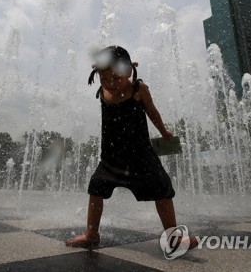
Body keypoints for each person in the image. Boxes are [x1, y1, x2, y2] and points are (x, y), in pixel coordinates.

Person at [65, 45, 198, 251]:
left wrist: (163, 132)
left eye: (116, 78)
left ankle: (173, 238)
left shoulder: (138, 89)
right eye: (105, 78)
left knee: (162, 188)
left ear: (129, 70)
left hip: (141, 155)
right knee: (96, 187)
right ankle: (91, 234)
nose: (111, 83)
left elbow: (152, 111)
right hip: (111, 156)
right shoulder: (103, 92)